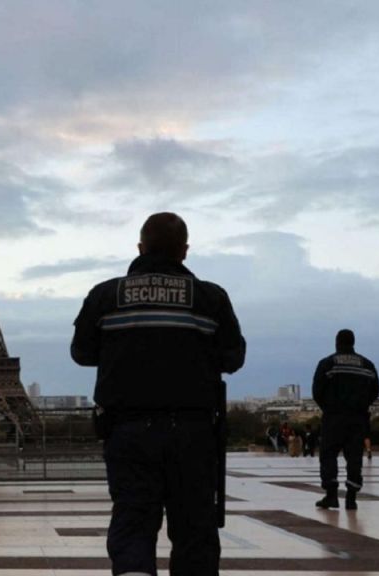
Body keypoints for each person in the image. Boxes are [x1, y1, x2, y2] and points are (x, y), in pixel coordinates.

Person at [71, 212, 246, 576]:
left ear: (140, 247)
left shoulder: (106, 295)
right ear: (184, 251)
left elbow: (82, 353)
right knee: (195, 528)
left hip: (128, 429)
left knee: (133, 523)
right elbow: (234, 357)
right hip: (193, 431)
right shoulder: (210, 297)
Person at [312, 329, 379, 510]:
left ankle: (331, 495)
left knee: (328, 455)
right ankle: (351, 497)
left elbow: (317, 391)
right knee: (355, 456)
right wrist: (361, 406)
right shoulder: (367, 365)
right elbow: (374, 391)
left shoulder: (328, 363)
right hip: (358, 418)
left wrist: (329, 407)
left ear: (337, 342)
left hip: (334, 417)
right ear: (353, 342)